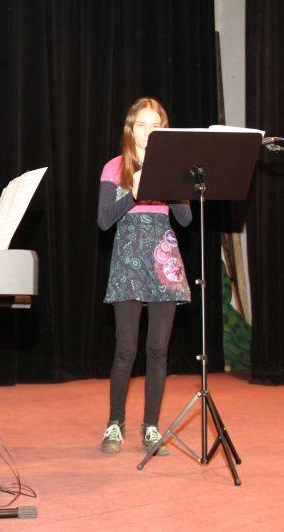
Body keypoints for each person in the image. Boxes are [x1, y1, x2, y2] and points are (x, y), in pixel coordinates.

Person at [96, 97, 192, 455]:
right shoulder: (115, 167)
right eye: (141, 125)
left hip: (163, 259)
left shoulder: (173, 168)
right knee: (126, 348)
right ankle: (115, 423)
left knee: (157, 349)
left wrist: (170, 182)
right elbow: (104, 220)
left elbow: (185, 220)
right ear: (130, 129)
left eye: (155, 126)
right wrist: (134, 194)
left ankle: (151, 426)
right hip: (128, 260)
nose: (148, 132)